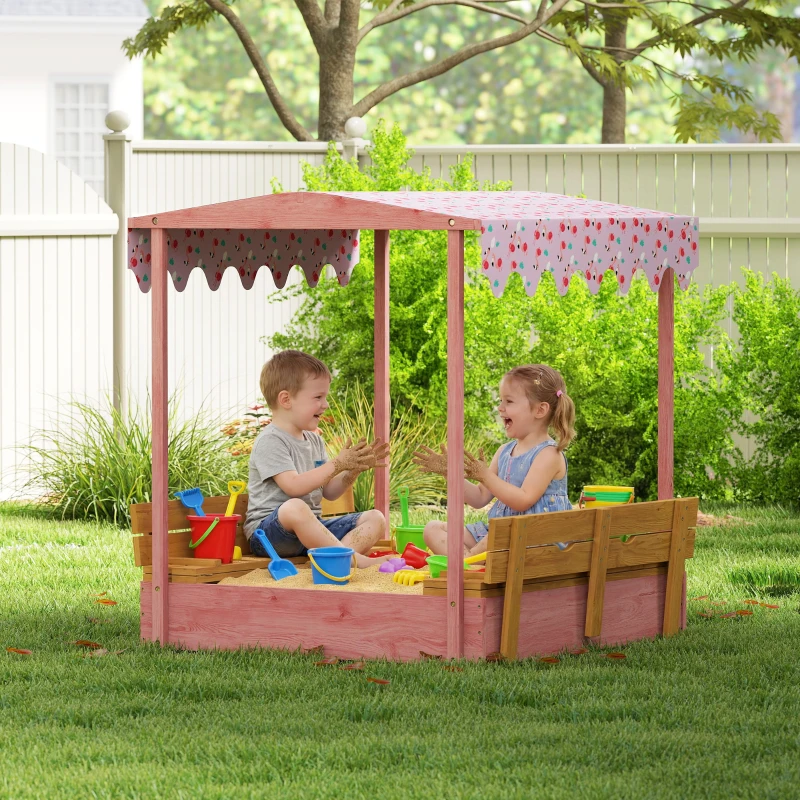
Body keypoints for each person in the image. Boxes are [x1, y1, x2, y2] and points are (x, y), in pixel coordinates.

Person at [244, 350, 390, 568]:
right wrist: (337, 463)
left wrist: (352, 470)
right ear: (286, 400)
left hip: (311, 533)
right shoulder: (270, 440)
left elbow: (330, 492)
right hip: (270, 536)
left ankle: (335, 559)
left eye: (325, 397)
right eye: (318, 397)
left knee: (376, 518)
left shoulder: (314, 440)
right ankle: (353, 560)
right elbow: (293, 487)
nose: (326, 404)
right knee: (294, 507)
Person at [413, 364, 575, 557]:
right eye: (501, 400)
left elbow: (523, 500)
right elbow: (479, 498)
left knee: (496, 538)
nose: (500, 408)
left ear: (540, 410)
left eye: (509, 401)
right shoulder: (504, 452)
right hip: (498, 534)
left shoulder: (548, 454)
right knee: (433, 529)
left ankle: (469, 561)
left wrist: (485, 476)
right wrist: (450, 473)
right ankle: (471, 562)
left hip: (535, 541)